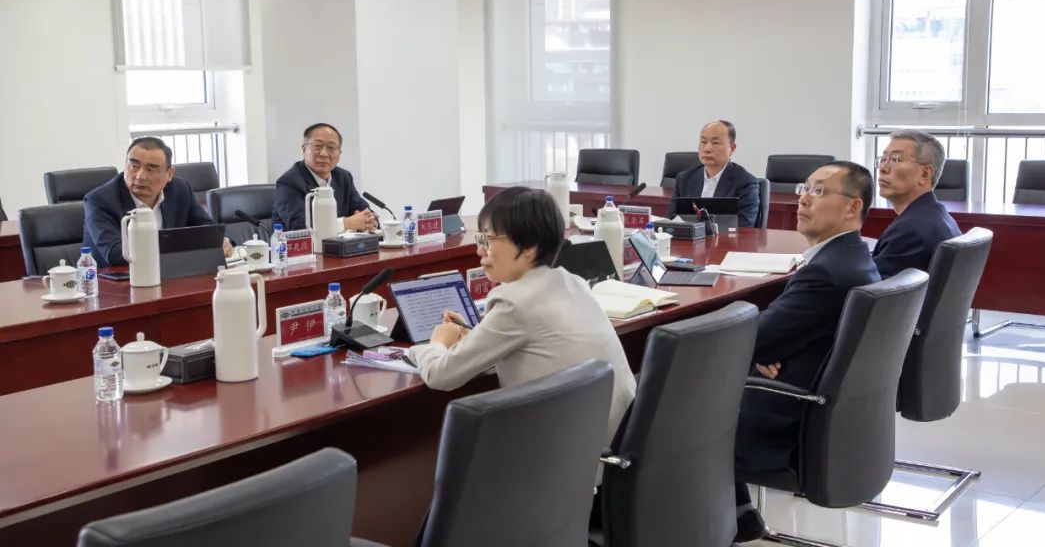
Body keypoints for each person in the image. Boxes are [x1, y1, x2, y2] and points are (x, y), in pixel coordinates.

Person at [407, 187, 636, 452]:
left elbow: (440, 375)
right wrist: (478, 334)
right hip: (616, 447)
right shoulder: (572, 282)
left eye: (488, 239)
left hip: (570, 457)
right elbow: (537, 345)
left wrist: (434, 343)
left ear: (528, 247)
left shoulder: (515, 302)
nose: (480, 250)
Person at [733, 161, 881, 542]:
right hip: (820, 408)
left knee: (664, 395)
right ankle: (739, 512)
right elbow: (766, 338)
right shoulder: (854, 256)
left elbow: (755, 339)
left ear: (853, 207)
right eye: (804, 189)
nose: (803, 199)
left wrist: (757, 349)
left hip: (783, 419)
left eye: (818, 191)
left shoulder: (825, 273)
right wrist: (760, 349)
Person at [83, 137, 230, 267]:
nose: (140, 176)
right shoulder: (100, 200)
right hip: (117, 281)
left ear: (169, 174)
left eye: (151, 169)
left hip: (171, 274)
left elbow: (206, 228)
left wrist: (219, 241)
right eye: (134, 166)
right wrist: (179, 245)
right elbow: (115, 254)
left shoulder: (180, 189)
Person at [873, 130, 960, 278]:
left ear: (925, 174)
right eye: (883, 159)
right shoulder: (937, 215)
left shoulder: (910, 231)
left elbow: (869, 288)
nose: (883, 168)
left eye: (895, 159)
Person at [272, 123, 379, 232]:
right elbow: (301, 227)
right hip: (298, 243)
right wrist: (346, 223)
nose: (324, 154)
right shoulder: (289, 182)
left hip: (341, 242)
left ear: (339, 154)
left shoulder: (343, 177)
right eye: (318, 146)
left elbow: (364, 212)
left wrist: (370, 221)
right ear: (304, 150)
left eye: (331, 148)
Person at [666, 119, 761, 227]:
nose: (707, 149)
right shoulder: (684, 179)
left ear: (732, 149)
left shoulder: (745, 183)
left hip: (725, 238)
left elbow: (744, 227)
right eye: (703, 142)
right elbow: (671, 221)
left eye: (715, 143)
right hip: (687, 237)